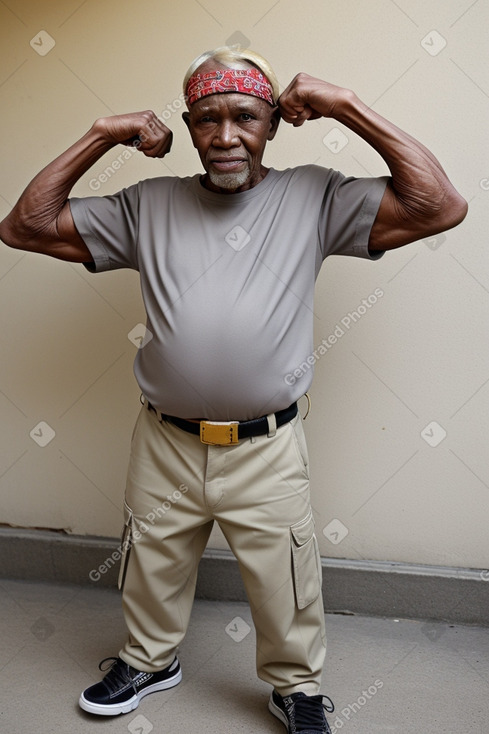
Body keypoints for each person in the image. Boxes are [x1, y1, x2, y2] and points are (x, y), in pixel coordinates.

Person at [0, 46, 467, 734]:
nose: (225, 136)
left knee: (285, 577)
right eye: (206, 119)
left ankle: (294, 685)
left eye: (244, 116)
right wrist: (104, 132)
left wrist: (346, 106)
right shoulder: (146, 204)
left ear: (273, 122)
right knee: (151, 563)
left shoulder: (316, 195)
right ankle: (150, 660)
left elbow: (440, 206)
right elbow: (25, 226)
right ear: (187, 127)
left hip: (266, 444)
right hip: (165, 438)